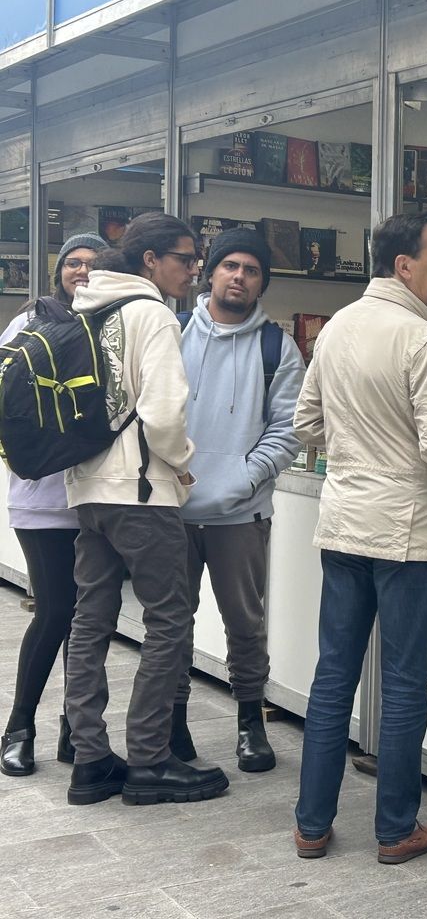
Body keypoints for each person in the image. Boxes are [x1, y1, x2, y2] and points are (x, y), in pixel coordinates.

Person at [293, 211, 427, 865]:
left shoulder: (337, 327)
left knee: (332, 676)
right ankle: (395, 829)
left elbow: (306, 423)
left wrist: (353, 456)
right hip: (408, 533)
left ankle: (311, 825)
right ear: (403, 266)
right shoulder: (423, 341)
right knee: (403, 682)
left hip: (344, 521)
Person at [63, 212, 230, 807]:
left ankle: (89, 762)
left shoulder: (84, 309)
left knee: (90, 621)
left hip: (88, 492)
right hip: (141, 493)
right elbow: (162, 413)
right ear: (150, 261)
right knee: (168, 622)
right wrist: (182, 460)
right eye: (186, 259)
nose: (195, 271)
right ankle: (151, 760)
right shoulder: (153, 313)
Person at [173, 228, 305, 773]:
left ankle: (251, 723)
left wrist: (243, 480)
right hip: (171, 510)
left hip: (240, 514)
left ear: (261, 285)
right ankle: (172, 720)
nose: (239, 277)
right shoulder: (172, 332)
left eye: (251, 271)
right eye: (230, 266)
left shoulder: (278, 348)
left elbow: (289, 429)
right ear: (210, 272)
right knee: (171, 623)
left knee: (245, 624)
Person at [0, 235, 108, 777]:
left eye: (93, 263)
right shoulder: (27, 323)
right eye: (73, 263)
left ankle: (76, 729)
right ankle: (19, 728)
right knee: (57, 610)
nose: (82, 271)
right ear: (59, 270)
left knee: (88, 618)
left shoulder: (113, 323)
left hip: (96, 496)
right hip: (42, 497)